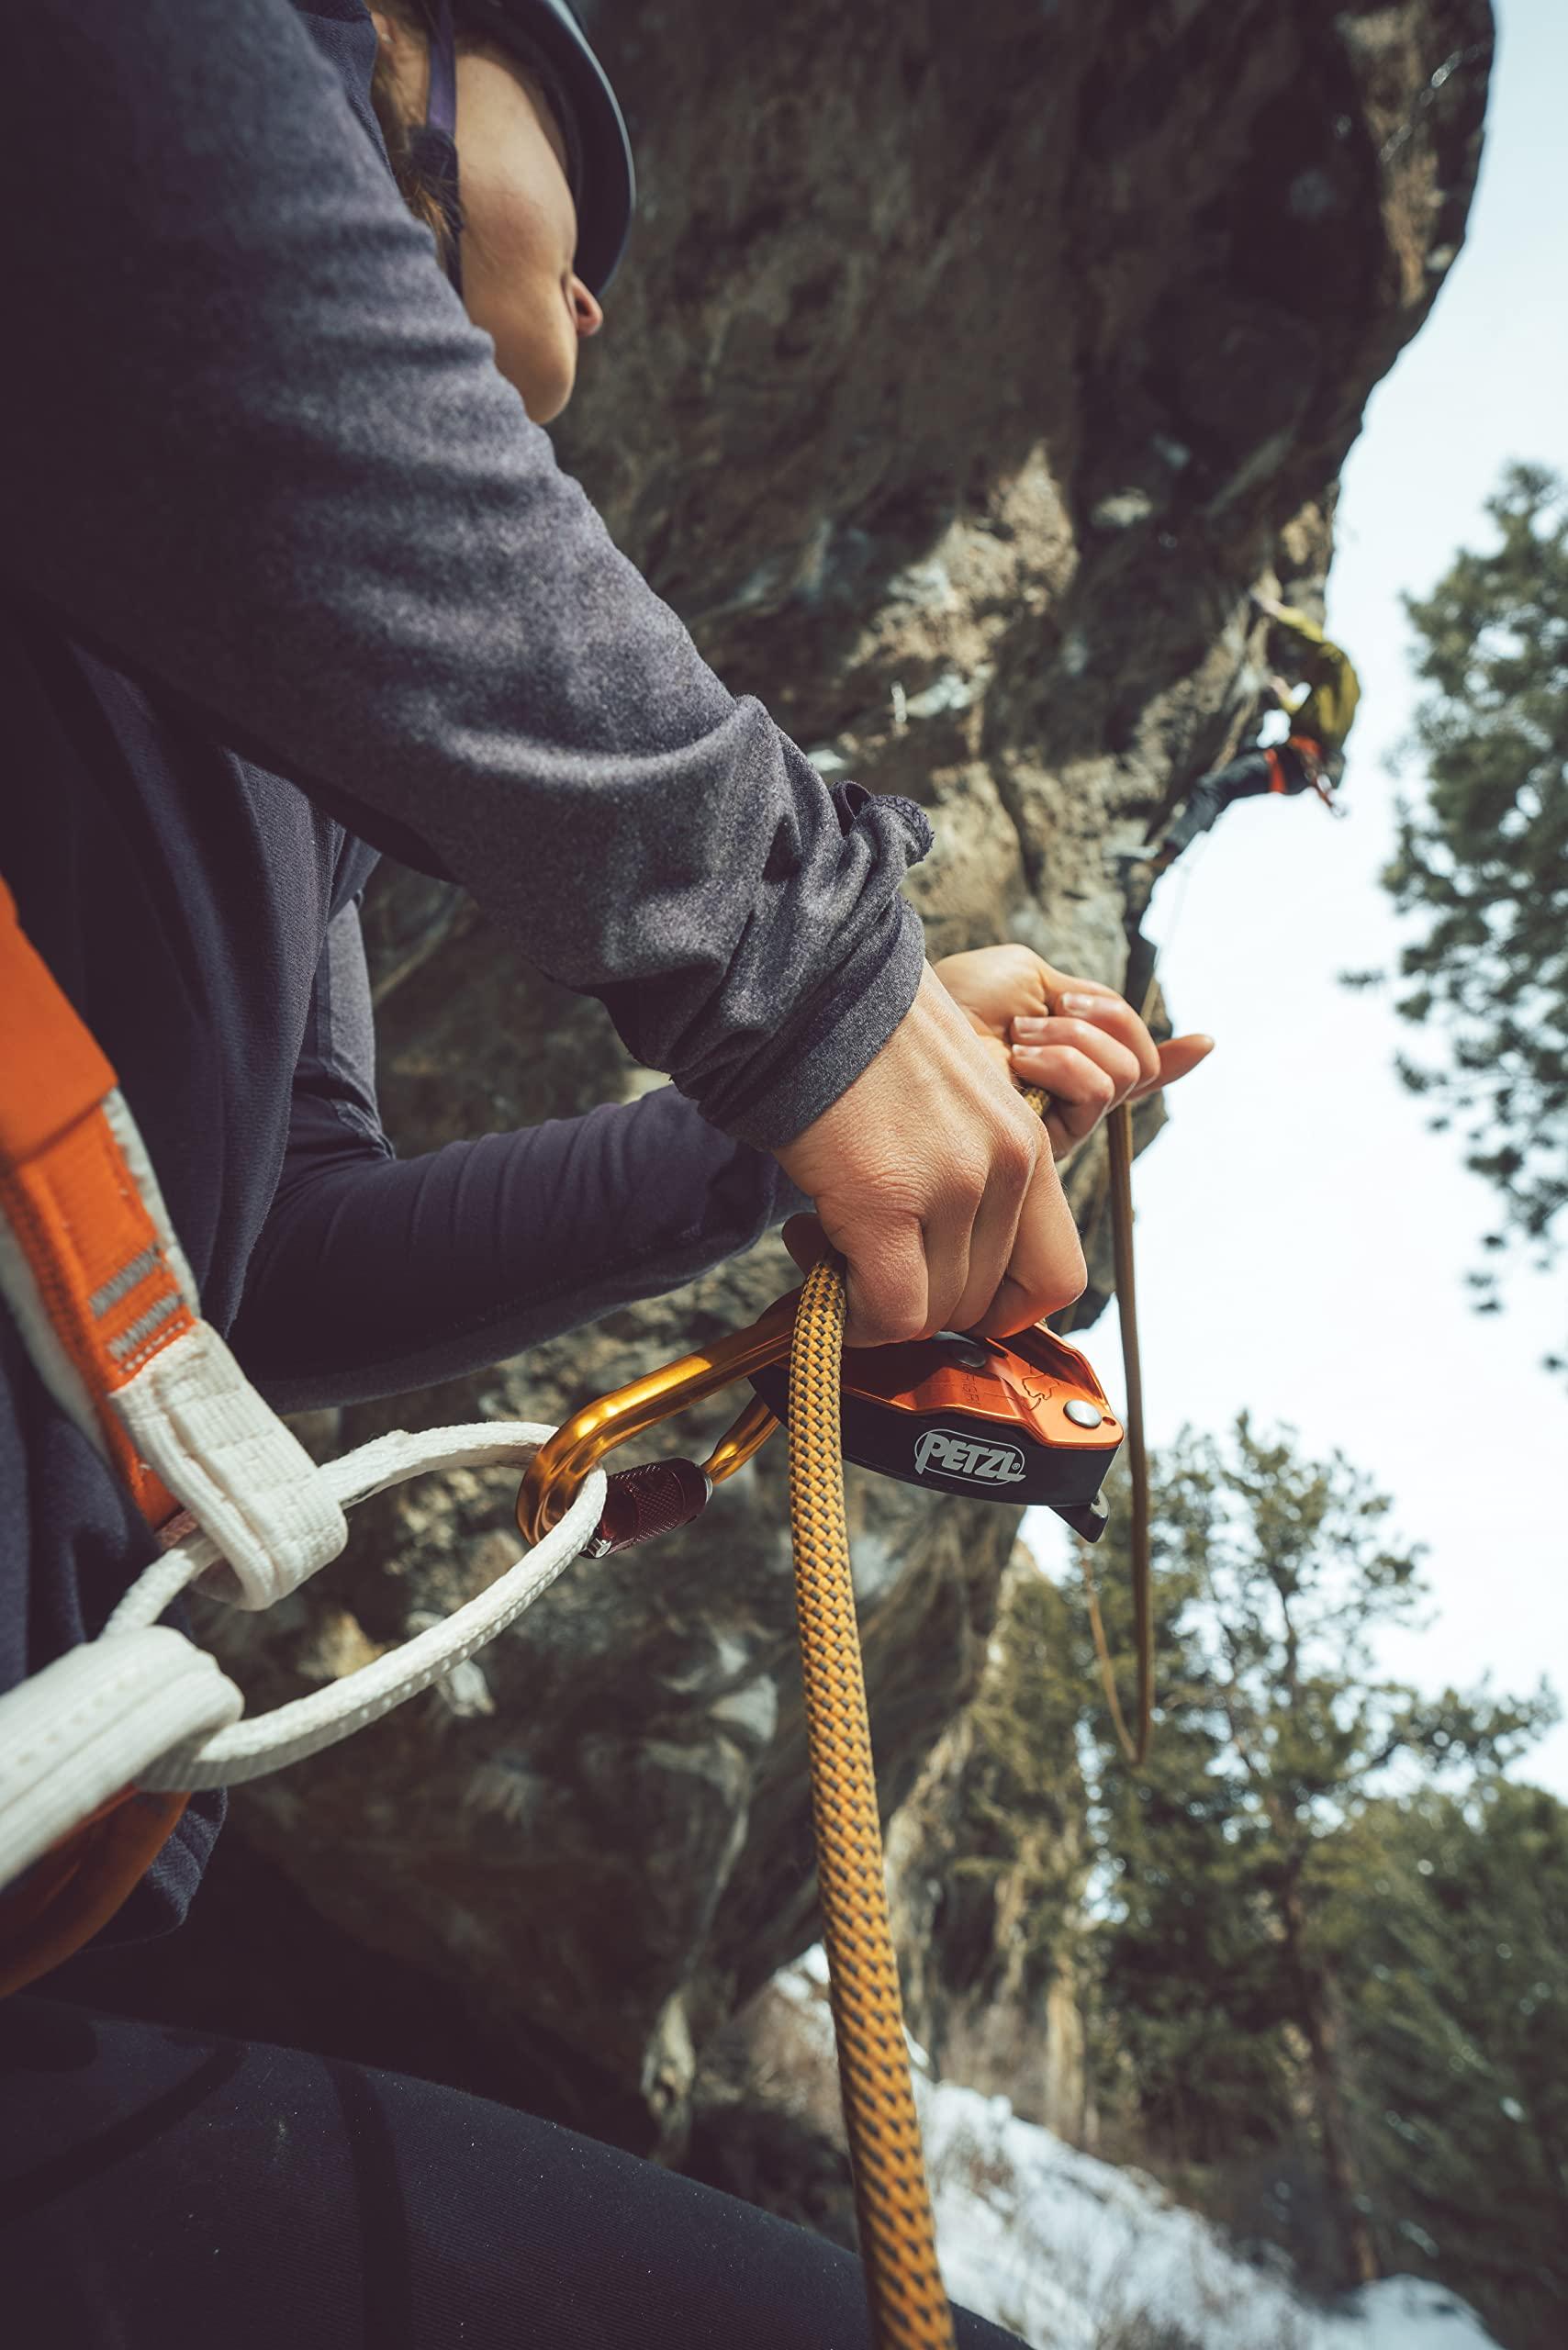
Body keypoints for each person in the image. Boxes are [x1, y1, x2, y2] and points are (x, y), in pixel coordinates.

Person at [0, 4, 1211, 2342]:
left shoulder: (291, 765)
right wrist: (811, 976)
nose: (604, 287)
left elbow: (275, 1268)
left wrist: (756, 1141)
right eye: (581, 168)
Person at [1143, 590, 1361, 878]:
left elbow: (1317, 644)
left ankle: (1170, 850)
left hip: (1294, 765)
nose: (1305, 674)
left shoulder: (1337, 666)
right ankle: (1196, 824)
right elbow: (1313, 722)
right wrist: (1285, 699)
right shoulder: (1338, 699)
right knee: (1241, 755)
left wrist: (1279, 613)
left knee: (1213, 788)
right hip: (1294, 766)